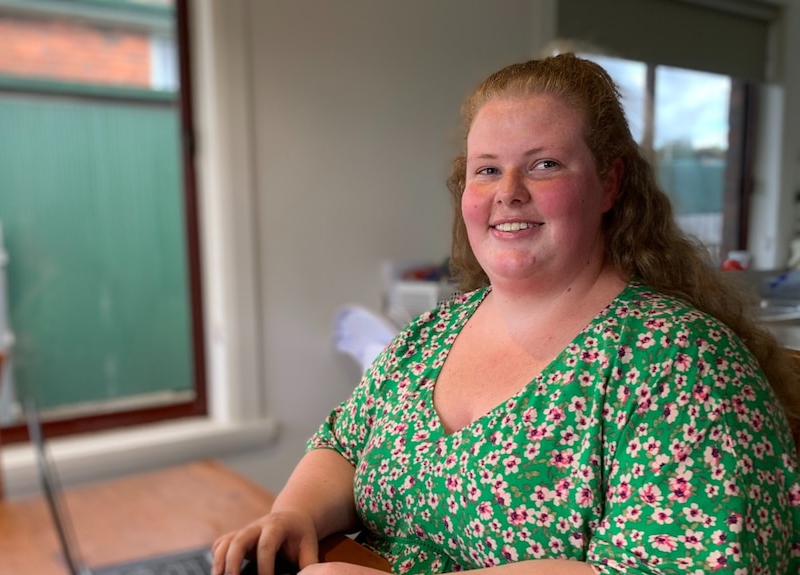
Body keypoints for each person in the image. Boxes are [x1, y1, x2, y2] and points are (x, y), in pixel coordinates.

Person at [211, 53, 800, 575]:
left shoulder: (680, 364)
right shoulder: (431, 334)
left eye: (544, 165)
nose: (508, 192)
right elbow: (344, 444)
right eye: (487, 168)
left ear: (610, 183)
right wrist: (291, 514)